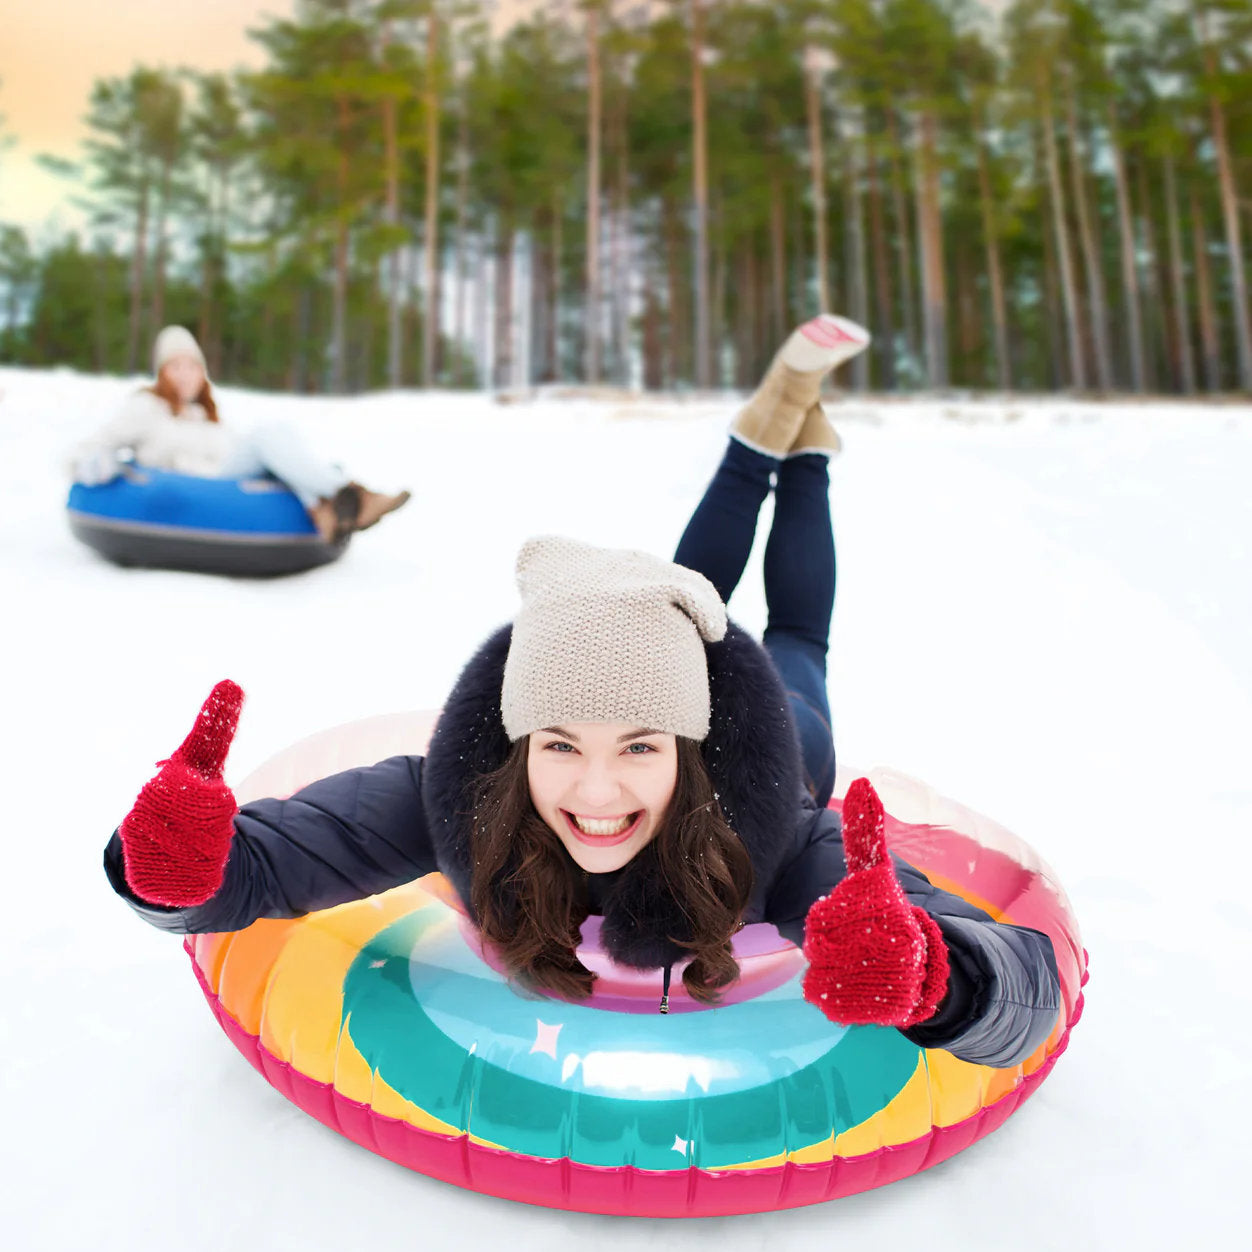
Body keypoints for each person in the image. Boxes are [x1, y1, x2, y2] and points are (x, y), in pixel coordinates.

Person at [103, 317, 1060, 1068]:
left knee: (790, 633)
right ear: (517, 743)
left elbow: (1025, 981)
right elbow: (266, 866)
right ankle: (782, 422)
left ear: (686, 752)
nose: (597, 795)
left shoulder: (782, 837)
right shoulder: (447, 796)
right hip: (664, 682)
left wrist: (941, 977)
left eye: (641, 747)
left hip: (786, 735)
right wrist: (171, 872)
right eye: (561, 745)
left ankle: (797, 457)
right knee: (692, 601)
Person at [70, 325, 411, 543]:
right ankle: (352, 497)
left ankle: (327, 510)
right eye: (175, 367)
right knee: (265, 435)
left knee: (277, 435)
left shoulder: (207, 415)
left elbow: (237, 452)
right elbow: (89, 448)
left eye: (193, 367)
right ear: (162, 373)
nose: (185, 375)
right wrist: (97, 465)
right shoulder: (146, 407)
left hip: (226, 481)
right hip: (194, 485)